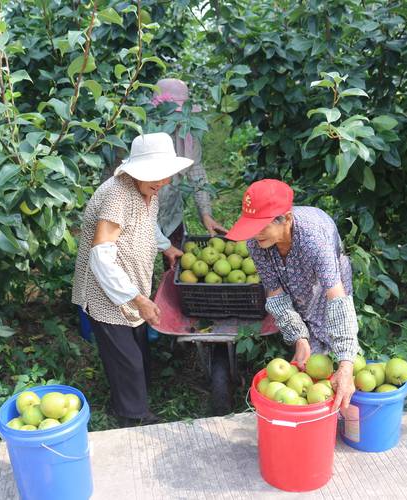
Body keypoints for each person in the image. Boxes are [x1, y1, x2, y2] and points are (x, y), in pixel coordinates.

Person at [71, 133, 189, 426]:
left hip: (131, 284)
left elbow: (146, 226)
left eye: (164, 175)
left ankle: (129, 400)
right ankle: (131, 416)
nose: (160, 181)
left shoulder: (149, 189)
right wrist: (137, 299)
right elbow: (101, 255)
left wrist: (167, 247)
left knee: (137, 352)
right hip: (105, 290)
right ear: (135, 170)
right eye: (154, 175)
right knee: (128, 360)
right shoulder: (116, 195)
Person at [226, 179, 359, 411]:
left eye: (262, 226)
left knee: (333, 337)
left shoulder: (313, 240)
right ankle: (319, 402)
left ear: (286, 219)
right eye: (252, 226)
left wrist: (346, 365)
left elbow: (337, 298)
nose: (255, 234)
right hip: (292, 280)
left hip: (326, 279)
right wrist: (299, 336)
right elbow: (275, 293)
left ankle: (342, 391)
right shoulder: (256, 242)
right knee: (309, 352)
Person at [151, 78, 227, 259]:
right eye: (172, 114)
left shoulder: (187, 136)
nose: (177, 119)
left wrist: (206, 213)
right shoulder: (144, 140)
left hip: (170, 211)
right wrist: (163, 245)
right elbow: (137, 202)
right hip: (141, 217)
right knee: (142, 267)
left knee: (176, 259)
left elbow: (197, 174)